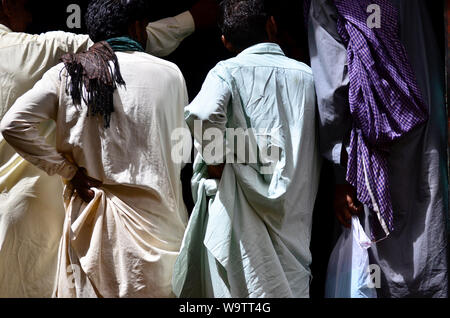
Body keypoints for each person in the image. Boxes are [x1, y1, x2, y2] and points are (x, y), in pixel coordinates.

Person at [0, 0, 215, 298]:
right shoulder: (171, 74)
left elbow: (14, 124)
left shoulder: (66, 75)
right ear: (137, 27)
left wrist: (68, 171)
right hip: (160, 235)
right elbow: (178, 154)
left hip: (91, 238)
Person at [172, 0, 321, 298]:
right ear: (272, 25)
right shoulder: (308, 76)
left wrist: (217, 162)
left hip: (239, 229)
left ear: (225, 41)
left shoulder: (226, 72)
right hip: (295, 225)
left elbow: (202, 114)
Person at [307, 0, 448, 297]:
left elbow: (333, 88)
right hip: (427, 136)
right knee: (431, 246)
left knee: (376, 264)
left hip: (371, 153)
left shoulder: (330, 4)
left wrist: (340, 173)